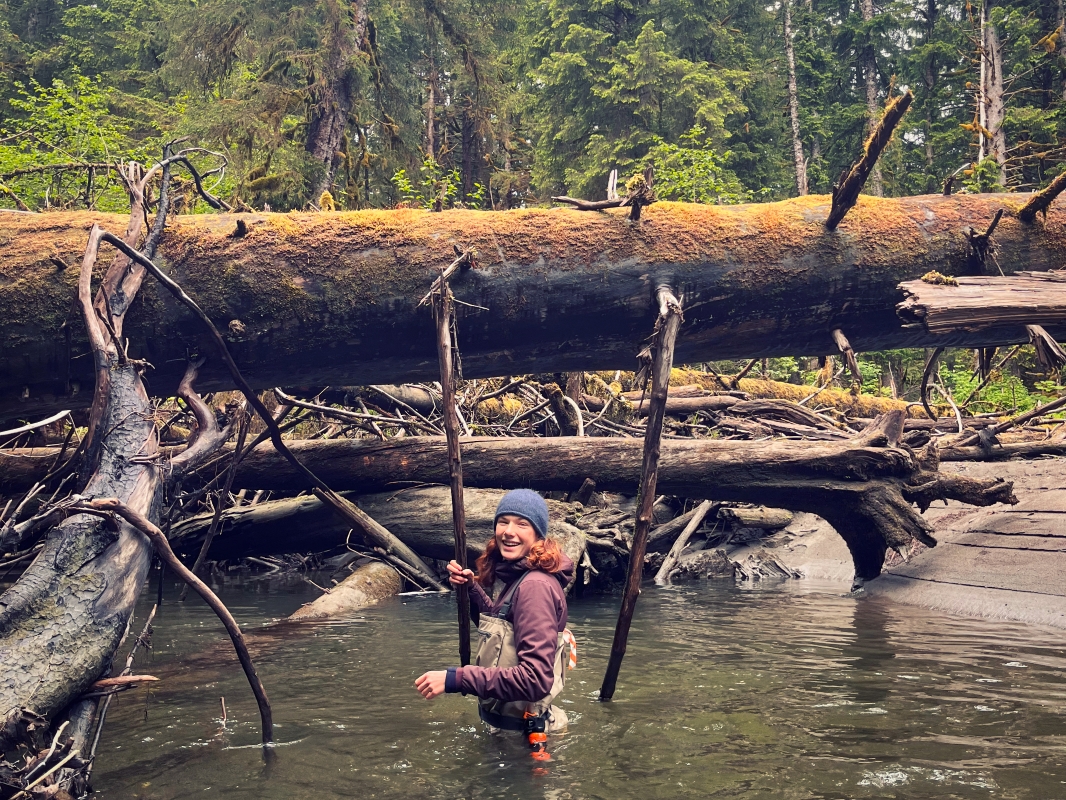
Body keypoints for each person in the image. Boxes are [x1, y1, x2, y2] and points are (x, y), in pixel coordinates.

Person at [414, 489, 575, 746]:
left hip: (523, 744)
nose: (509, 531)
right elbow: (503, 636)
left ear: (538, 535)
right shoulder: (521, 578)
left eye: (522, 524)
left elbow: (534, 680)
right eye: (503, 522)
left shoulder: (535, 587)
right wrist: (470, 588)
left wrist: (455, 679)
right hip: (513, 735)